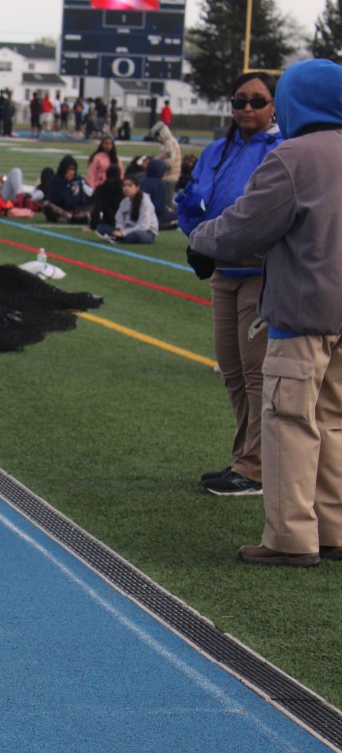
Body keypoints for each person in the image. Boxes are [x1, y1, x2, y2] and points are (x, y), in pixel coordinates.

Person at [187, 58, 342, 566]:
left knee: (289, 420)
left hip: (302, 312)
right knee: (333, 422)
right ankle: (334, 528)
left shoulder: (294, 157)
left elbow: (246, 225)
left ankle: (289, 539)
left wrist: (200, 241)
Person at [179, 71, 281, 497]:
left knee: (256, 373)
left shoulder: (281, 149)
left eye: (257, 101)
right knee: (232, 370)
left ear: (275, 105)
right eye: (239, 101)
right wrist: (198, 238)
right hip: (223, 270)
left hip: (262, 272)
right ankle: (245, 458)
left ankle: (255, 469)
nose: (247, 108)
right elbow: (193, 200)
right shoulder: (217, 150)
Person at [42, 156, 91, 223]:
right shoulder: (55, 180)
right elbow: (53, 199)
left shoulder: (79, 180)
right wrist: (66, 185)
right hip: (61, 210)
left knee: (96, 205)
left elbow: (84, 199)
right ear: (63, 169)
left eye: (73, 169)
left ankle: (73, 218)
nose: (72, 172)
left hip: (77, 210)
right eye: (69, 169)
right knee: (46, 205)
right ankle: (70, 217)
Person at [111, 176, 158, 243]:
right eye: (124, 186)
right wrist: (121, 228)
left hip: (145, 231)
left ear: (137, 187)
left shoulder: (145, 202)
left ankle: (120, 238)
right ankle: (120, 237)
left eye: (130, 185)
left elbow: (144, 226)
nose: (126, 188)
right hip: (127, 228)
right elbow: (119, 218)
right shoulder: (124, 201)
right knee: (104, 227)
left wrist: (124, 233)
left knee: (137, 236)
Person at [88, 165, 125, 236]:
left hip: (109, 222)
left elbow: (96, 209)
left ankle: (114, 234)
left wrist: (92, 226)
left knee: (100, 228)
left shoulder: (101, 189)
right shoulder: (124, 189)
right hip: (125, 224)